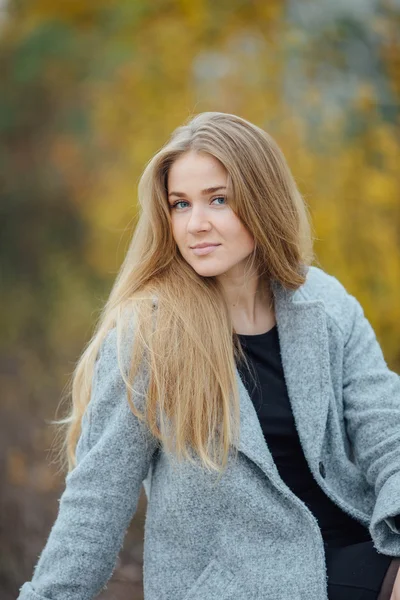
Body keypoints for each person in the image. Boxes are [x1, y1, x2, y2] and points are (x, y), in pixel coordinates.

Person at [18, 112, 400, 600]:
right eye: (181, 205)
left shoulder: (326, 306)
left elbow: (388, 432)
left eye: (218, 200)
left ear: (263, 200)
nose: (196, 224)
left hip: (357, 553)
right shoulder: (150, 335)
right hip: (239, 585)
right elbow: (97, 500)